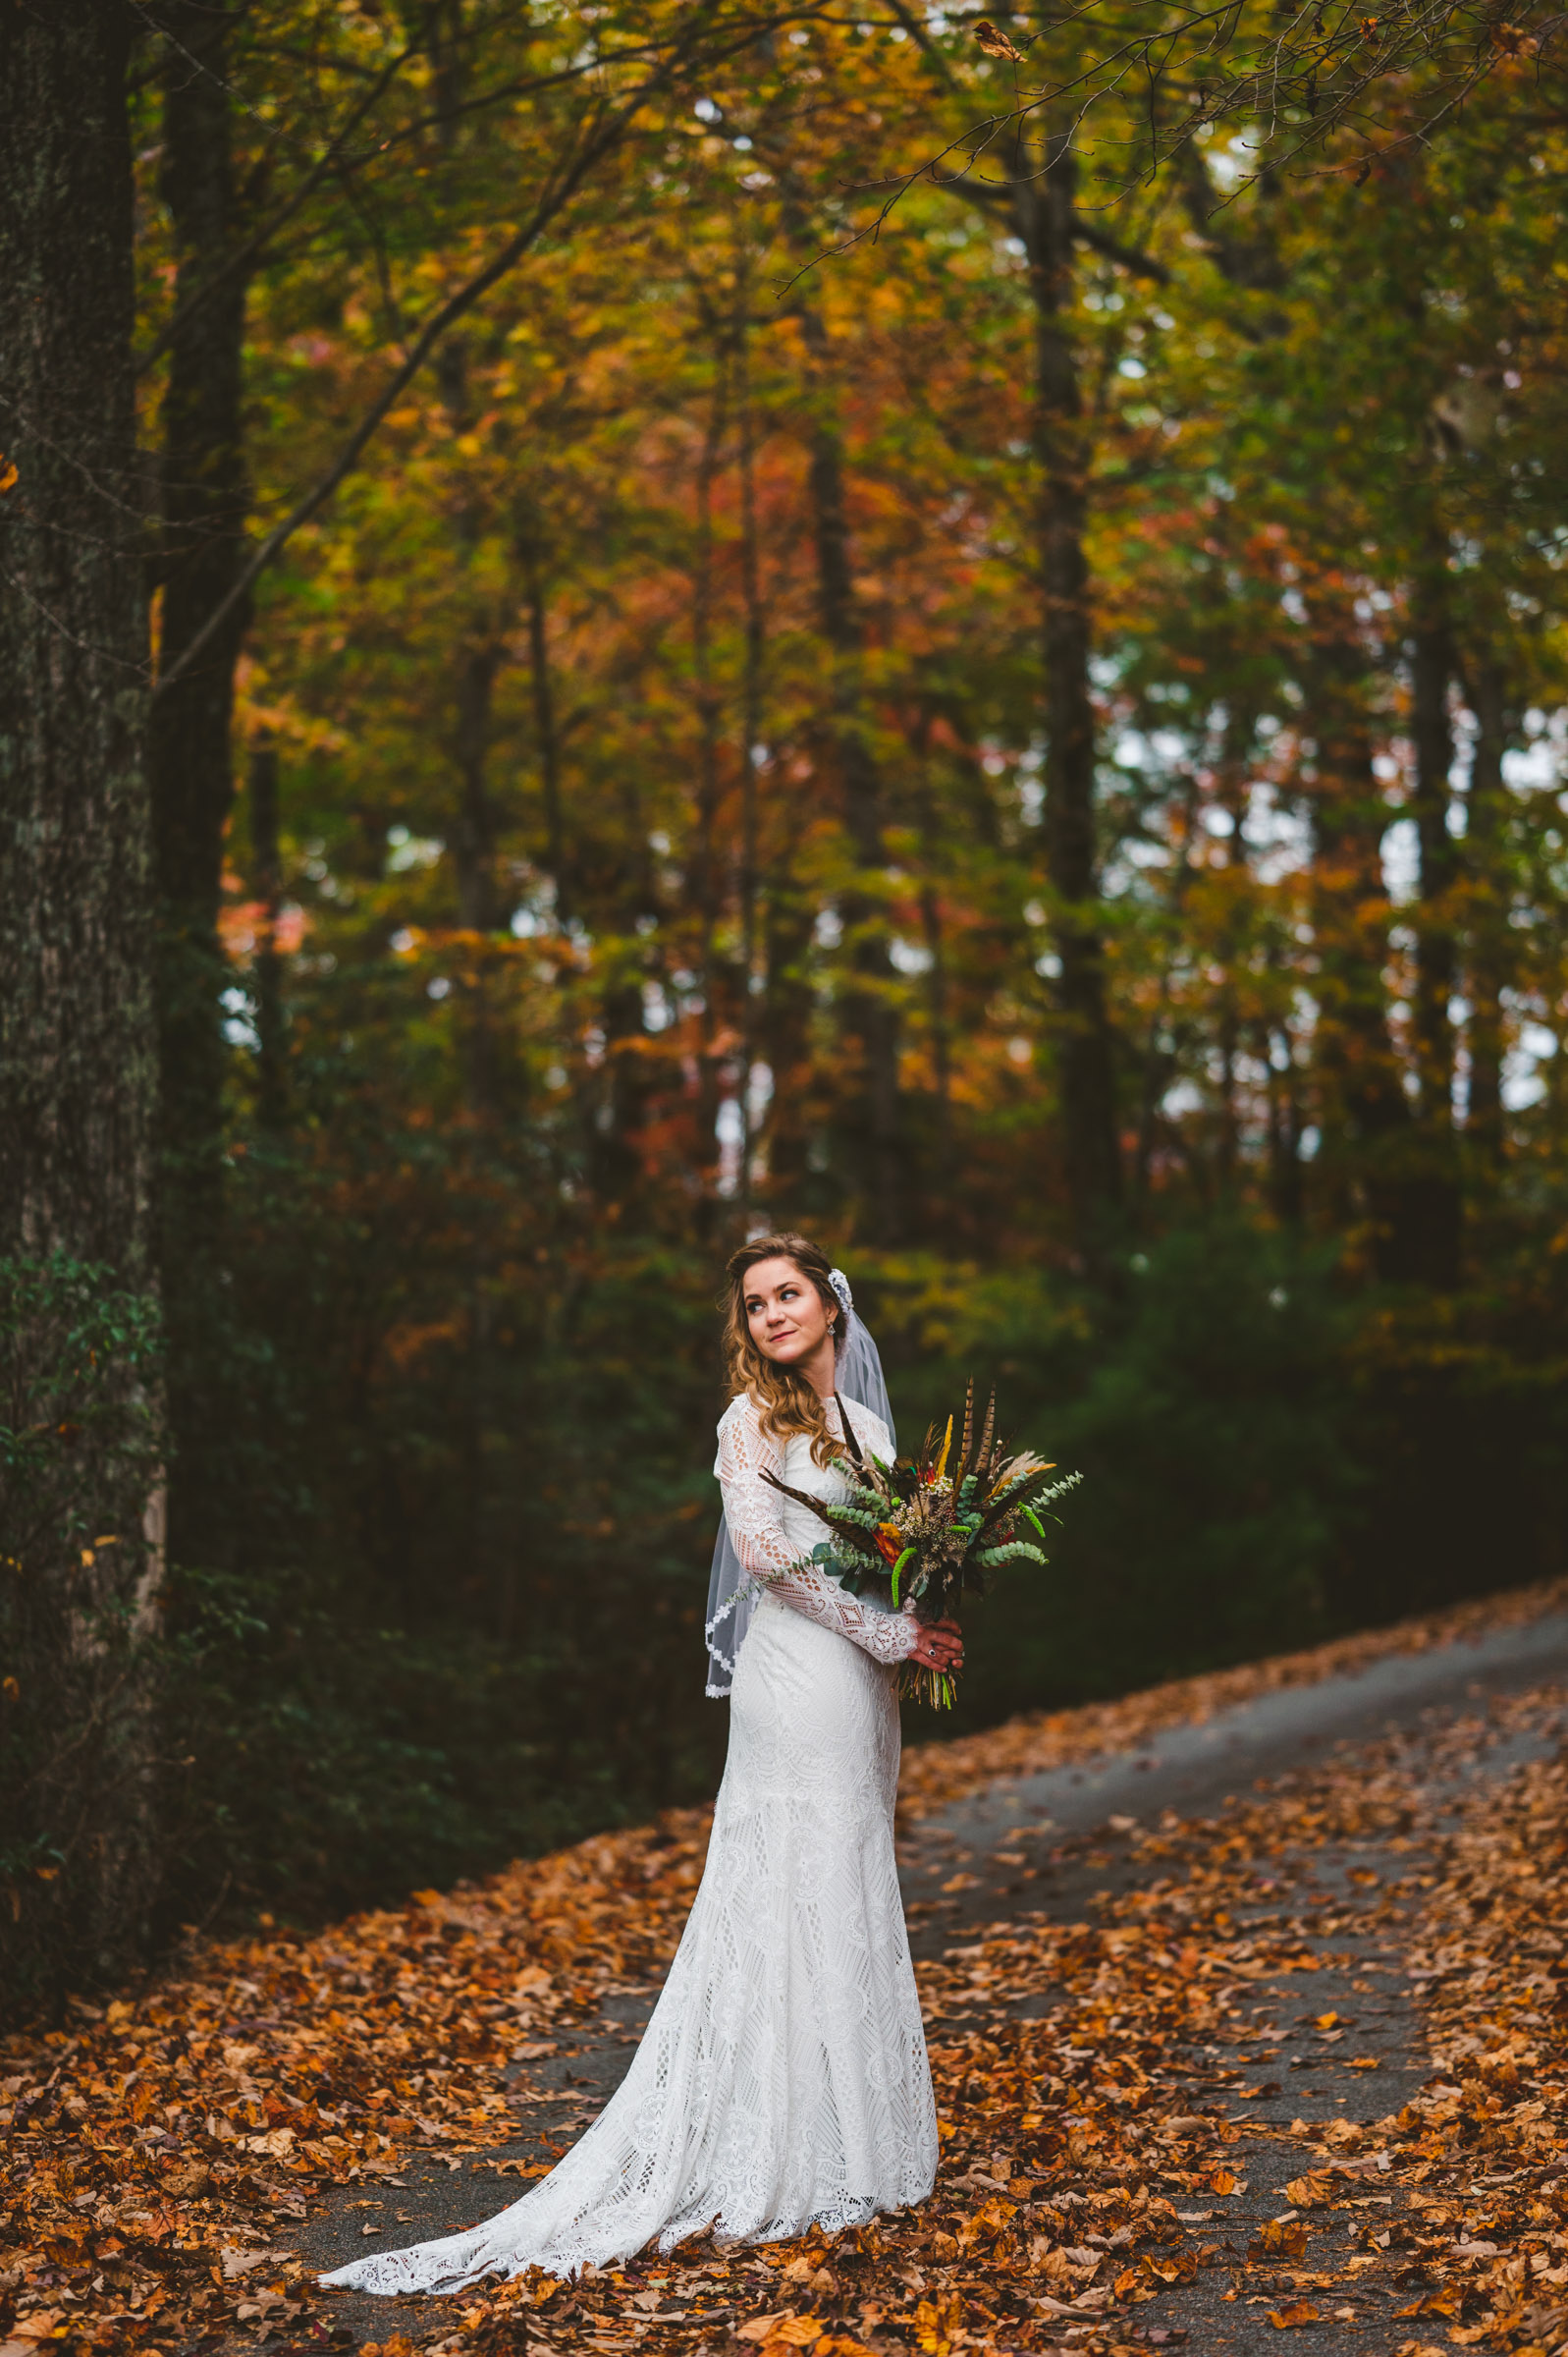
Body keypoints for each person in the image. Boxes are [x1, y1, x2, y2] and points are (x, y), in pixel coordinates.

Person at [321, 1231, 961, 2295]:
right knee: (784, 1877)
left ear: (831, 1307)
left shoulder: (870, 1426)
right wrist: (881, 1631)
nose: (771, 1316)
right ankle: (772, 2140)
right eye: (755, 1303)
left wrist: (925, 1617)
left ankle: (857, 2137)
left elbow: (898, 1551)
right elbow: (763, 1555)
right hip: (797, 1676)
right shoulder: (747, 1419)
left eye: (787, 1294)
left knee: (847, 1870)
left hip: (861, 1687)